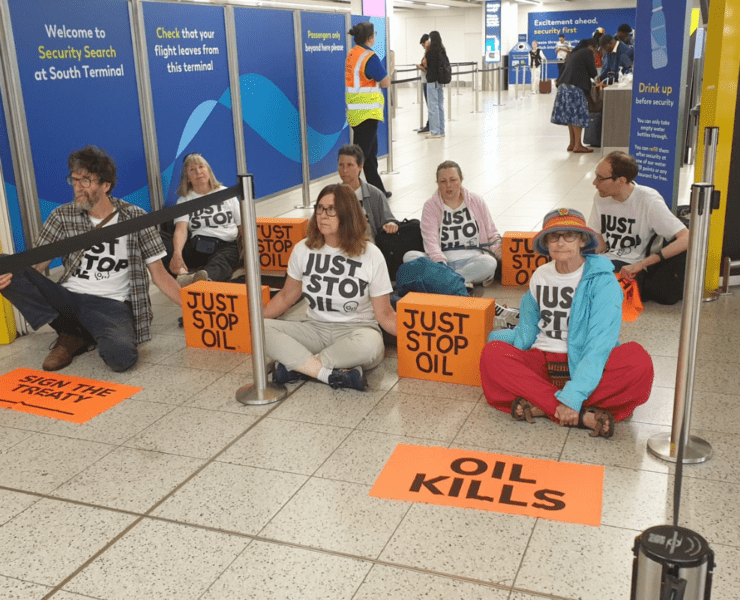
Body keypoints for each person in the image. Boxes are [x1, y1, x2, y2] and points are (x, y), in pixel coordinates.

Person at [0, 145, 182, 372]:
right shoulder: (62, 215)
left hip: (110, 304)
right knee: (3, 264)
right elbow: (36, 266)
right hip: (68, 297)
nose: (77, 188)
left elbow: (160, 275)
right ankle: (71, 330)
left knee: (121, 359)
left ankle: (75, 335)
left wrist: (194, 308)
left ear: (106, 185)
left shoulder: (134, 217)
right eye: (74, 180)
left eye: (85, 181)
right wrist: (14, 280)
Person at [480, 208, 654, 439]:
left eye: (569, 235)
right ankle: (580, 414)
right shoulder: (540, 275)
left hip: (586, 363)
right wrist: (497, 343)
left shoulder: (604, 282)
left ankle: (545, 404)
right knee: (492, 355)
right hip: (542, 360)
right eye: (554, 236)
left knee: (638, 362)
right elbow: (526, 332)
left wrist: (573, 394)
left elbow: (599, 345)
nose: (561, 243)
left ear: (582, 240)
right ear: (546, 242)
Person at [263, 184, 396, 391]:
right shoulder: (303, 249)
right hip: (315, 329)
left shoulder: (371, 254)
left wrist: (419, 337)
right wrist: (256, 320)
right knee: (260, 329)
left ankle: (297, 366)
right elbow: (286, 297)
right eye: (320, 208)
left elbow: (385, 314)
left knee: (371, 345)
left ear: (348, 214)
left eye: (331, 209)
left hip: (357, 331)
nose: (323, 215)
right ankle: (329, 373)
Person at [589, 152, 689, 286]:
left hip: (634, 266)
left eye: (600, 178)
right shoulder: (601, 196)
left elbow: (687, 238)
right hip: (605, 261)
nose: (594, 182)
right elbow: (600, 244)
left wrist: (642, 264)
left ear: (621, 181)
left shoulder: (648, 200)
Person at [403, 160, 501, 288]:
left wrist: (502, 253)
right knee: (409, 256)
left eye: (453, 180)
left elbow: (492, 234)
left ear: (461, 180)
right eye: (443, 181)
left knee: (489, 262)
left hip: (473, 260)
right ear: (437, 183)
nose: (448, 185)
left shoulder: (476, 201)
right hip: (440, 263)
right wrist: (441, 265)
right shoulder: (430, 206)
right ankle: (458, 281)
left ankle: (444, 282)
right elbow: (431, 242)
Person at [168, 153, 241, 286]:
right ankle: (182, 274)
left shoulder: (226, 193)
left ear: (208, 171)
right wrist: (177, 253)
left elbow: (242, 226)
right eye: (192, 170)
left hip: (225, 245)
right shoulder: (184, 200)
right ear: (188, 178)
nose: (198, 172)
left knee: (223, 261)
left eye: (201, 167)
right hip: (198, 246)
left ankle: (201, 279)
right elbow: (181, 230)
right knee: (163, 241)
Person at [345, 21, 391, 198]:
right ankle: (348, 192)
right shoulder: (369, 57)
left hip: (357, 112)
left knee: (370, 155)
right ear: (370, 38)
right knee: (360, 157)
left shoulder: (352, 53)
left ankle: (378, 191)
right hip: (367, 113)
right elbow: (385, 81)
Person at [337, 145, 398, 241]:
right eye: (341, 165)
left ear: (360, 166)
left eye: (350, 165)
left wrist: (391, 224)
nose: (344, 170)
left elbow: (389, 219)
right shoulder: (332, 196)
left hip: (369, 247)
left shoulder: (375, 194)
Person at [551, 38, 598, 153]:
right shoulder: (587, 52)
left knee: (571, 117)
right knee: (578, 115)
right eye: (595, 49)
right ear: (591, 46)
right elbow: (593, 72)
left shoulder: (572, 53)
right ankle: (578, 145)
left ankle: (572, 143)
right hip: (575, 87)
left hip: (563, 87)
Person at [424, 30, 449, 139]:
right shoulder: (442, 50)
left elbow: (426, 65)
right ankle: (441, 130)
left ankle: (435, 131)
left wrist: (426, 51)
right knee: (440, 105)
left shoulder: (430, 52)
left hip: (432, 81)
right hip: (440, 82)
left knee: (432, 106)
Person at [416, 34, 430, 133]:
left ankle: (430, 125)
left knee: (430, 105)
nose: (423, 47)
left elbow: (427, 68)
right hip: (427, 81)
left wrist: (420, 67)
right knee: (431, 105)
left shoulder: (428, 53)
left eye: (423, 45)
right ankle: (432, 124)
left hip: (427, 82)